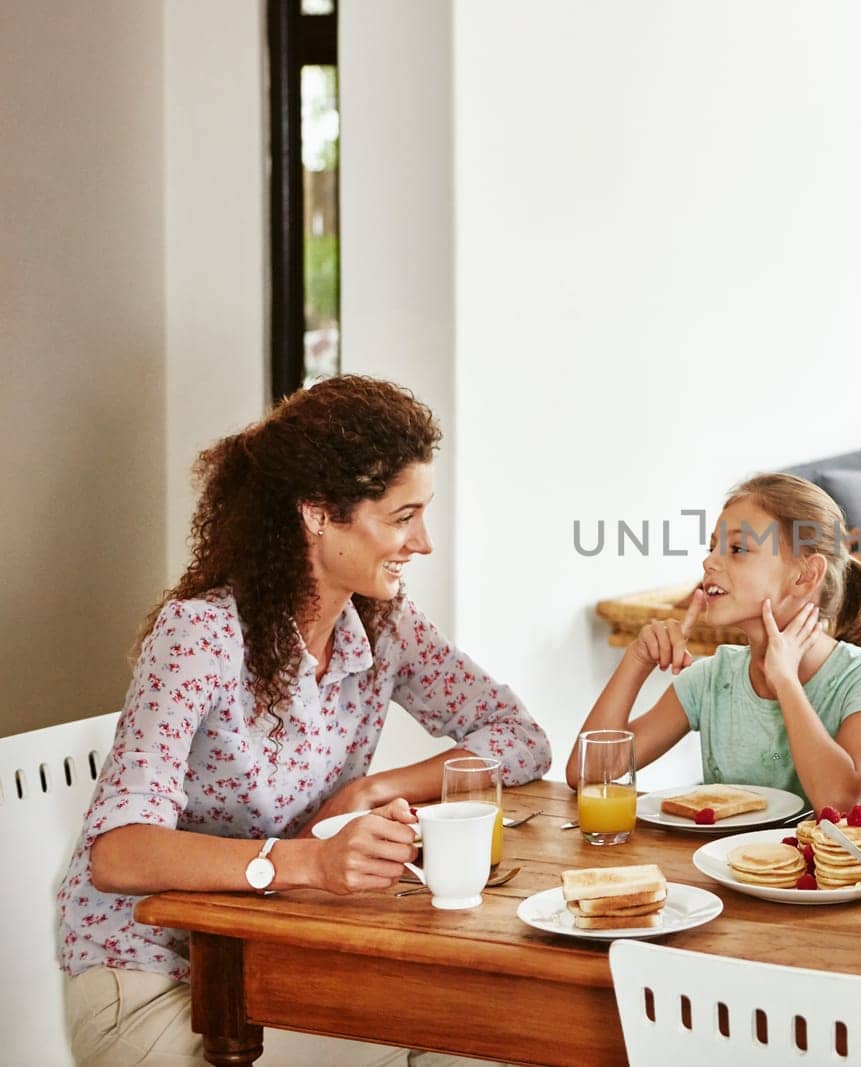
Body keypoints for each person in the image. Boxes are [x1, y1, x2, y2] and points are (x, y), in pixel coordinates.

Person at [56, 376, 551, 1067]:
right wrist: (306, 861)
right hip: (149, 981)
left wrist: (376, 790)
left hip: (275, 959)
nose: (424, 542)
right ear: (319, 513)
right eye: (402, 517)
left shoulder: (384, 627)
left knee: (483, 1037)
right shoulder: (201, 636)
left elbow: (520, 738)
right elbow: (119, 852)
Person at [569, 473, 861, 817]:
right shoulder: (712, 679)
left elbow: (836, 800)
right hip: (724, 871)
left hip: (834, 872)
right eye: (712, 547)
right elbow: (589, 776)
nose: (708, 562)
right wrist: (637, 659)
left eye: (737, 549)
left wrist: (786, 681)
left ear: (805, 576)